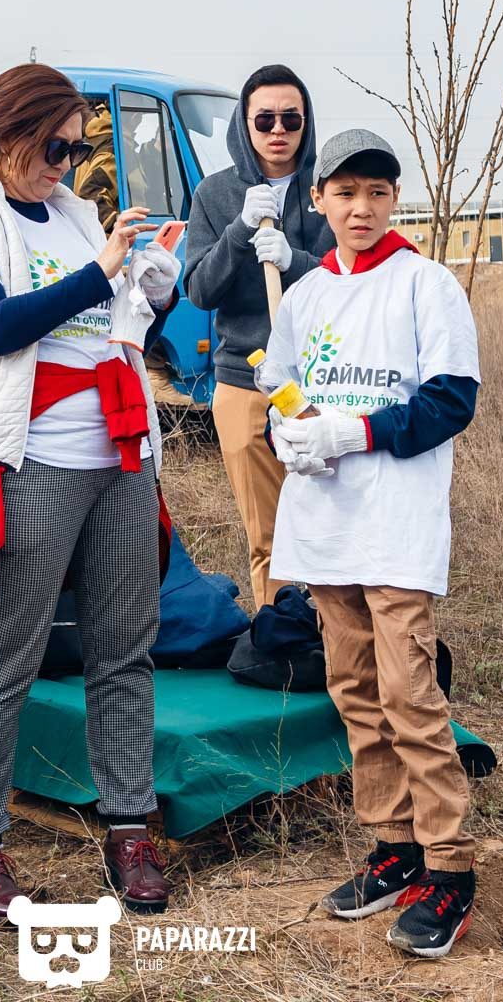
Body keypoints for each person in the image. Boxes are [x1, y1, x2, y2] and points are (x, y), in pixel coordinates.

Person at [0, 63, 178, 926]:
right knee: (8, 652)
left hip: (120, 448)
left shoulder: (74, 214)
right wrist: (102, 272)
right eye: (51, 146)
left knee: (125, 645)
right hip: (30, 455)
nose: (64, 164)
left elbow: (108, 324)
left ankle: (129, 830)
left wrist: (148, 286)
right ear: (2, 136)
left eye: (74, 148)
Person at [266, 129, 482, 959]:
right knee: (355, 692)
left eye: (378, 193)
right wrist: (292, 436)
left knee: (409, 696)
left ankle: (449, 866)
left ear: (394, 200)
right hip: (325, 524)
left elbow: (450, 402)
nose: (362, 208)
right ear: (318, 198)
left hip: (395, 524)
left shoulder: (425, 285)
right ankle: (394, 848)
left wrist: (352, 431)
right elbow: (283, 391)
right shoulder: (304, 296)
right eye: (346, 192)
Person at [182, 65, 334, 609]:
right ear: (244, 124)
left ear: (305, 122)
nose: (278, 130)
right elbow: (199, 290)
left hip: (323, 382)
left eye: (291, 119)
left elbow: (352, 281)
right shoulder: (216, 194)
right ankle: (281, 637)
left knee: (330, 525)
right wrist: (240, 231)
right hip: (246, 382)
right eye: (264, 119)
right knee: (268, 535)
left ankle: (337, 638)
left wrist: (298, 263)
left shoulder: (328, 189)